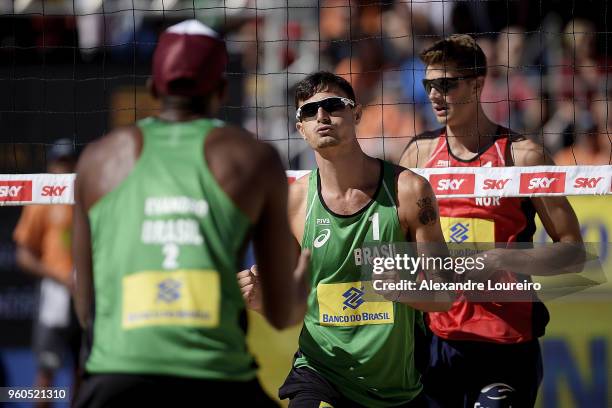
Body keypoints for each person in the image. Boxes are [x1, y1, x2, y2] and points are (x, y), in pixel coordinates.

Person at [71, 20, 309, 407]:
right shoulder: (252, 158)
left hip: (115, 375)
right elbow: (283, 314)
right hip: (214, 375)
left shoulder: (97, 159)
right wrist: (301, 285)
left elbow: (85, 308)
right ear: (222, 91)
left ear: (152, 88)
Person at [239, 71, 452, 408]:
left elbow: (445, 295)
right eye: (308, 112)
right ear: (300, 128)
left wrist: (403, 289)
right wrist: (262, 300)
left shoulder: (409, 190)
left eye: (332, 106)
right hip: (321, 371)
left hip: (394, 387)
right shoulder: (292, 202)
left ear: (356, 114)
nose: (321, 116)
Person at [400, 34, 584, 408]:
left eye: (447, 84)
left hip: (505, 341)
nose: (435, 95)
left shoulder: (523, 156)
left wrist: (501, 259)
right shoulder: (419, 153)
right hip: (437, 338)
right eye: (429, 85)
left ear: (477, 85)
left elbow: (573, 252)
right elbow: (399, 241)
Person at [13, 138, 81, 408]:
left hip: (85, 296)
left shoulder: (87, 198)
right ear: (50, 166)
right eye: (58, 162)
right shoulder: (41, 200)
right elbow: (23, 255)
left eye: (68, 162)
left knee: (83, 374)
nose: (63, 169)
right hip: (54, 295)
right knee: (45, 374)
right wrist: (59, 277)